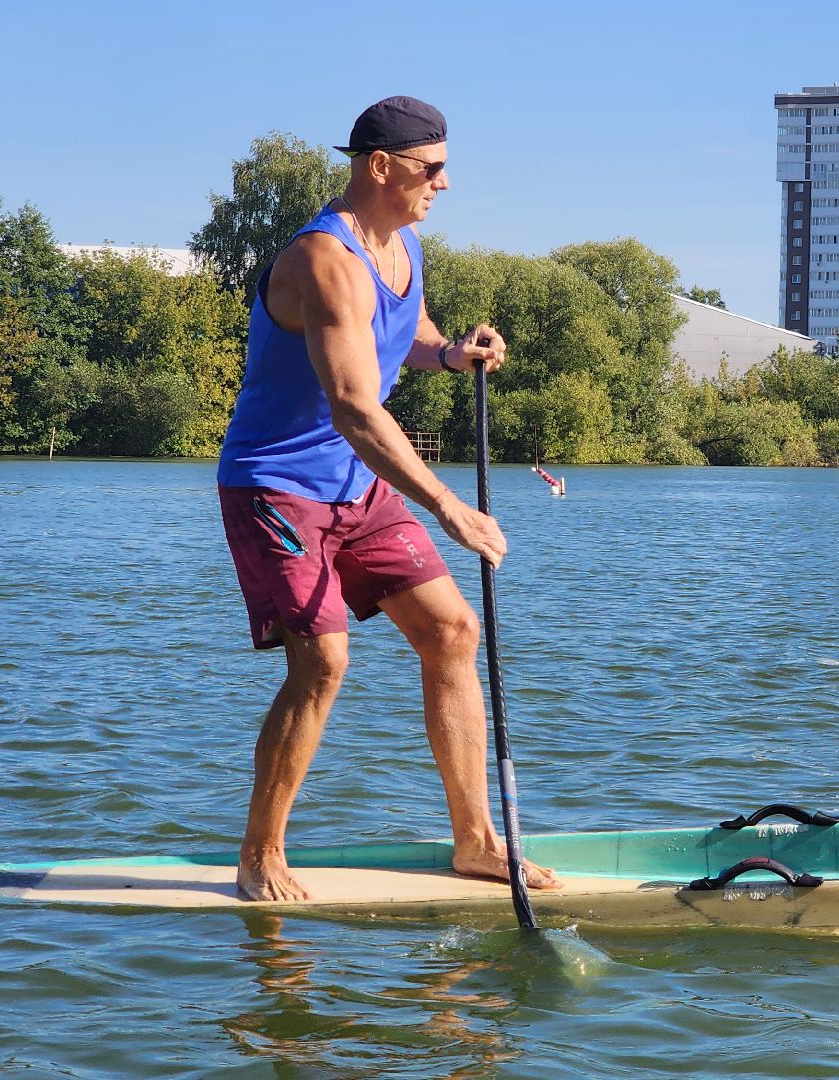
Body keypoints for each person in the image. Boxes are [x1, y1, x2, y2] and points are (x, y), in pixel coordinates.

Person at [216, 95, 560, 902]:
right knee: (323, 662)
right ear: (381, 166)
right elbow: (355, 406)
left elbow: (406, 334)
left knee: (452, 630)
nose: (444, 184)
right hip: (277, 488)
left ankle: (476, 844)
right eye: (431, 169)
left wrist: (452, 353)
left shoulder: (402, 245)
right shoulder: (323, 260)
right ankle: (260, 855)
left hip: (357, 486)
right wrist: (448, 505)